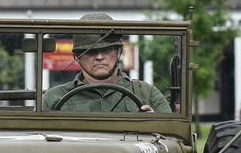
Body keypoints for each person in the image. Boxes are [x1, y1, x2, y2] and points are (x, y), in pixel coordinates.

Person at [42, 13, 172, 113]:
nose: (99, 57)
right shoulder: (53, 99)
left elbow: (171, 138)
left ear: (118, 52)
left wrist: (154, 124)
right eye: (91, 51)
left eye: (107, 50)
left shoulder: (146, 94)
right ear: (77, 56)